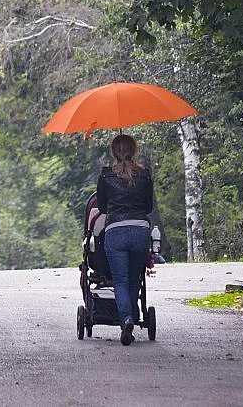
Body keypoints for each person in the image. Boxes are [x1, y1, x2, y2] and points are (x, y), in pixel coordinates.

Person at [96, 133, 154, 346]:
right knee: (134, 279)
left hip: (116, 232)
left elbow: (102, 207)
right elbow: (148, 207)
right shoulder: (144, 175)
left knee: (119, 280)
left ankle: (127, 318)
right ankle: (131, 314)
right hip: (140, 231)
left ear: (114, 152)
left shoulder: (105, 176)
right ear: (134, 150)